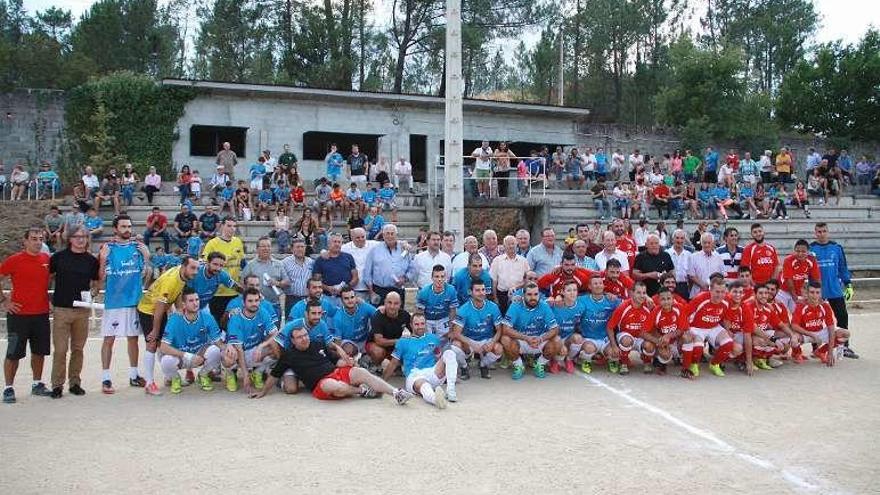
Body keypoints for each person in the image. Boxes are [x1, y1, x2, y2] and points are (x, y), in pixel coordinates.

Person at [251, 320, 413, 404]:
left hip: (336, 373)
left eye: (305, 335)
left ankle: (396, 393)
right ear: (292, 341)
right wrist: (263, 392)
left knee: (361, 372)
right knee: (333, 386)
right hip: (321, 384)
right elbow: (274, 374)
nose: (304, 338)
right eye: (300, 337)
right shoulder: (289, 356)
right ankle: (362, 391)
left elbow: (336, 361)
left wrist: (349, 363)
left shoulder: (318, 344)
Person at [97, 215, 151, 393]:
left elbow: (145, 275)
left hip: (134, 300)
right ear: (115, 229)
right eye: (123, 226)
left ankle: (134, 375)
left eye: (129, 226)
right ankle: (106, 378)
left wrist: (147, 257)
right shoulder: (108, 248)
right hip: (114, 302)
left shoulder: (137, 248)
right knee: (109, 340)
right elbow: (101, 278)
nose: (127, 229)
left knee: (133, 339)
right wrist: (103, 260)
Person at [0, 228, 53, 403]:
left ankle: (37, 384)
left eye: (40, 239)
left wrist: (50, 300)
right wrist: (4, 301)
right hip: (19, 315)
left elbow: (50, 280)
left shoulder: (46, 259)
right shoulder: (15, 260)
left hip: (41, 314)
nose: (38, 242)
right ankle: (8, 388)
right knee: (13, 353)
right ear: (25, 241)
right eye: (33, 239)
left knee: (39, 352)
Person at [47, 226, 99, 398]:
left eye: (84, 236)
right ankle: (57, 385)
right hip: (61, 308)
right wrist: (47, 298)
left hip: (81, 311)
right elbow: (48, 278)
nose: (81, 239)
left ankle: (75, 382)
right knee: (60, 350)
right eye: (77, 236)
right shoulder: (58, 258)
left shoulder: (91, 260)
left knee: (78, 349)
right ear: (70, 239)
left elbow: (96, 283)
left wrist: (93, 293)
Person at [136, 256, 200, 396]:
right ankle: (149, 383)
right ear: (184, 266)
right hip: (149, 310)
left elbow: (177, 293)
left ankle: (170, 377)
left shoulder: (182, 275)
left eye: (197, 268)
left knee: (164, 342)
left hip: (161, 309)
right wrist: (155, 329)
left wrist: (178, 310)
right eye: (193, 268)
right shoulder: (170, 280)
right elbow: (159, 307)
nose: (195, 272)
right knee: (152, 344)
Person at [383, 313, 458, 407]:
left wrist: (450, 374)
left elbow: (439, 356)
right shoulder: (403, 342)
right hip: (414, 375)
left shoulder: (433, 338)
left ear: (425, 324)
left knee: (449, 353)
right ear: (411, 325)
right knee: (424, 385)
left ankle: (451, 391)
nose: (420, 327)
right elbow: (393, 364)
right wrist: (382, 381)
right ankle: (435, 400)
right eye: (417, 324)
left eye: (422, 324)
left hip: (433, 372)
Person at [158, 288, 225, 393]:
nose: (195, 303)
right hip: (182, 357)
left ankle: (203, 375)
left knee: (216, 350)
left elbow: (218, 341)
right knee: (166, 360)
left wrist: (228, 351)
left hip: (199, 355)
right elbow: (163, 346)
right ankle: (175, 378)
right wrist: (187, 356)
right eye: (191, 301)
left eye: (197, 300)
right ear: (183, 304)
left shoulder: (207, 317)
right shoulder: (175, 319)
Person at [810, 222, 857, 358]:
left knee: (842, 317)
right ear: (815, 233)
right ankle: (816, 347)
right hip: (817, 292)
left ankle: (844, 347)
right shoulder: (811, 249)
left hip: (835, 290)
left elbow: (843, 267)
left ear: (828, 232)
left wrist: (848, 284)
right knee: (816, 320)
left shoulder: (836, 247)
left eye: (824, 231)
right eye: (819, 231)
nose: (821, 234)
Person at [221, 288, 279, 393]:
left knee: (277, 346)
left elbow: (275, 334)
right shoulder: (235, 318)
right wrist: (245, 375)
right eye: (250, 301)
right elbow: (239, 349)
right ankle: (230, 375)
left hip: (254, 351)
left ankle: (258, 372)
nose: (254, 304)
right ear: (243, 302)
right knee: (228, 356)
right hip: (239, 354)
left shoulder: (263, 312)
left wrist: (261, 346)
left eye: (256, 300)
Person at [501, 283, 560, 380]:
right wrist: (526, 338)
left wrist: (541, 338)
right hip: (522, 340)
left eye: (536, 294)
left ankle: (540, 364)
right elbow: (505, 329)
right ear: (523, 295)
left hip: (539, 340)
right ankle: (519, 365)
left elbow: (555, 329)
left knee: (557, 340)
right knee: (505, 339)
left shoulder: (544, 306)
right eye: (529, 294)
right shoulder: (515, 306)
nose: (533, 297)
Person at [449, 279, 503, 380]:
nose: (481, 293)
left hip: (486, 339)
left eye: (483, 290)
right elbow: (456, 333)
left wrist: (492, 342)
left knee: (499, 348)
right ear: (471, 292)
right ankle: (464, 367)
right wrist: (472, 344)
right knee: (455, 347)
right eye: (477, 290)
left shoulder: (493, 307)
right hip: (469, 340)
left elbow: (499, 330)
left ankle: (483, 365)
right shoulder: (463, 309)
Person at [683, 278, 735, 379]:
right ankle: (694, 364)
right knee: (698, 347)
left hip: (713, 326)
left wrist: (728, 331)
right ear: (710, 290)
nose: (720, 295)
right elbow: (684, 314)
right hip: (696, 327)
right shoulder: (700, 298)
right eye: (717, 292)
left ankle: (715, 364)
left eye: (722, 292)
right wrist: (687, 330)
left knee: (728, 343)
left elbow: (727, 318)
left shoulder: (727, 300)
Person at [790, 282, 850, 367]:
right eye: (812, 292)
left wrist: (830, 353)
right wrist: (811, 335)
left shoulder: (825, 306)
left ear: (821, 294)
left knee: (845, 334)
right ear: (807, 293)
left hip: (820, 331)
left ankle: (821, 352)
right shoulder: (801, 306)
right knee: (793, 339)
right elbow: (794, 325)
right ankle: (797, 353)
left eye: (817, 292)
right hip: (806, 333)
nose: (814, 295)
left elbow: (831, 328)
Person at [202, 217, 246, 323]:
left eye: (234, 226)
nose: (232, 229)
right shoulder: (212, 244)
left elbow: (243, 263)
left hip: (234, 292)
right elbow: (205, 265)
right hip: (217, 293)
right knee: (216, 323)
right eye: (229, 226)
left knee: (233, 322)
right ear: (222, 226)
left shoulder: (238, 242)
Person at [605, 282, 655, 375]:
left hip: (640, 337)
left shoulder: (648, 307)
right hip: (625, 335)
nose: (642, 296)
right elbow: (609, 327)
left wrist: (657, 342)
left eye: (644, 293)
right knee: (627, 340)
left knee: (649, 345)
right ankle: (624, 363)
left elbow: (652, 328)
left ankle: (647, 362)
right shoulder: (623, 307)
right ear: (632, 293)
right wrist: (614, 345)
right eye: (639, 293)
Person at [363, 224, 413, 305]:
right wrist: (371, 292)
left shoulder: (404, 249)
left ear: (396, 235)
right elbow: (367, 272)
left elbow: (412, 268)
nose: (390, 236)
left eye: (392, 233)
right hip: (379, 291)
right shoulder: (375, 250)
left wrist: (405, 278)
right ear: (383, 235)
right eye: (387, 233)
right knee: (379, 316)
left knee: (397, 316)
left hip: (398, 290)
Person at [241, 237, 289, 319]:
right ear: (257, 249)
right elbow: (242, 285)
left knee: (274, 330)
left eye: (268, 246)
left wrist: (277, 283)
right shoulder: (250, 265)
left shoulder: (279, 264)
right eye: (263, 246)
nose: (266, 248)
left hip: (275, 306)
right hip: (256, 306)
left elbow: (287, 282)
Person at [329, 285, 377, 362]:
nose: (350, 300)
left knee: (377, 352)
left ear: (356, 297)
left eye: (352, 297)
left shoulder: (364, 306)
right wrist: (339, 357)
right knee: (348, 350)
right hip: (349, 342)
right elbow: (338, 341)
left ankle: (365, 359)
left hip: (365, 340)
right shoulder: (338, 317)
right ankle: (356, 360)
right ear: (341, 300)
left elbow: (378, 314)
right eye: (346, 298)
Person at [365, 291, 411, 368]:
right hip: (375, 344)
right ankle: (374, 364)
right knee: (378, 352)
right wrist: (399, 341)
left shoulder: (405, 315)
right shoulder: (377, 316)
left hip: (393, 346)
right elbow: (379, 341)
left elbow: (416, 332)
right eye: (389, 303)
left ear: (400, 304)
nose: (392, 306)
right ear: (385, 303)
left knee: (411, 351)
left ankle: (391, 364)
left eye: (396, 303)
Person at [415, 265, 458, 344]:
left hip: (444, 319)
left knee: (446, 343)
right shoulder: (424, 292)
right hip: (428, 320)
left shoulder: (451, 290)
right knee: (429, 342)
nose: (439, 279)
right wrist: (422, 328)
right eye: (436, 276)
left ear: (445, 278)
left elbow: (453, 311)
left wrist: (451, 329)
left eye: (442, 276)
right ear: (432, 278)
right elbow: (419, 313)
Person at [280, 238, 314, 314]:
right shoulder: (285, 263)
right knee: (292, 323)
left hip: (308, 299)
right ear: (292, 249)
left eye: (302, 247)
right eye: (297, 247)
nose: (300, 249)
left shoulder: (311, 262)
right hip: (292, 299)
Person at [687, 233, 725, 298]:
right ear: (701, 243)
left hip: (714, 294)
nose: (707, 245)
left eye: (709, 243)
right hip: (697, 293)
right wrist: (703, 285)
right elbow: (691, 275)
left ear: (713, 243)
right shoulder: (693, 257)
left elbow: (722, 274)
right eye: (704, 243)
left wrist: (713, 286)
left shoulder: (718, 257)